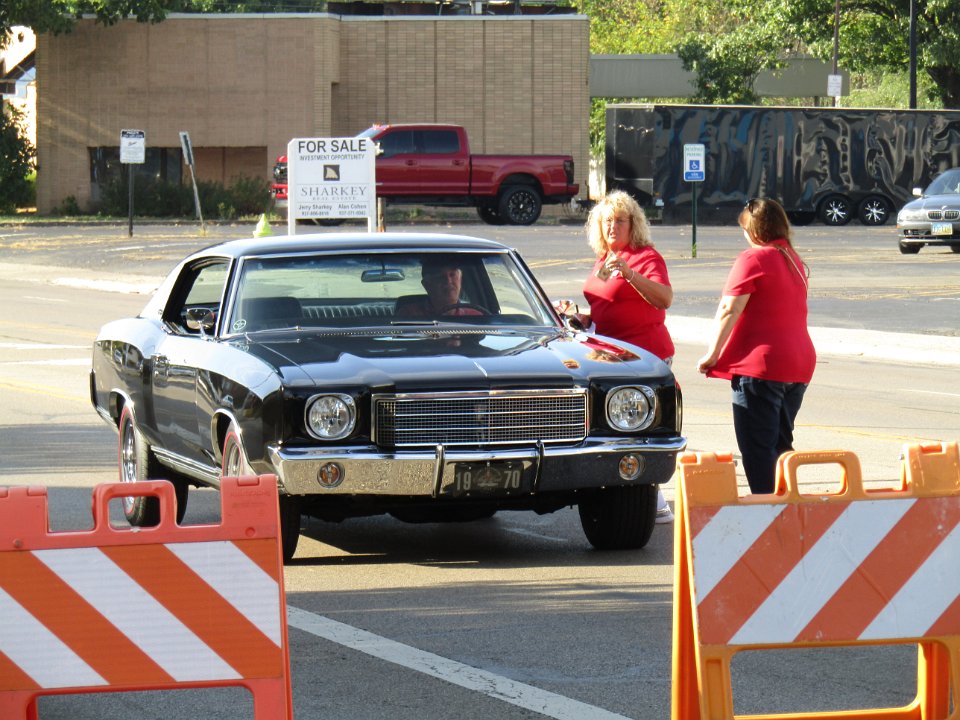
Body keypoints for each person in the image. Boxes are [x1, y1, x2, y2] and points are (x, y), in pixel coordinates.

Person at [697, 197, 816, 494]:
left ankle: (769, 517)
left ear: (753, 230)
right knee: (780, 445)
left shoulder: (754, 259)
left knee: (758, 450)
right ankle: (788, 510)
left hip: (761, 365)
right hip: (798, 364)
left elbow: (729, 309)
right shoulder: (794, 260)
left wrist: (712, 354)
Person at [576, 190, 676, 523]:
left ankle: (653, 499)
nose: (613, 227)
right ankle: (636, 494)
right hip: (609, 356)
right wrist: (582, 319)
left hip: (642, 357)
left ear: (633, 224)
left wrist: (631, 275)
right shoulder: (604, 257)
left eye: (620, 220)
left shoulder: (645, 256)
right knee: (619, 428)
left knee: (637, 427)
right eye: (607, 221)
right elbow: (605, 305)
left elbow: (664, 298)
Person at [396, 257, 483, 317]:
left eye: (452, 275)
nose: (448, 281)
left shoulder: (475, 315)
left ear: (460, 279)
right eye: (440, 277)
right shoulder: (410, 314)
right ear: (427, 285)